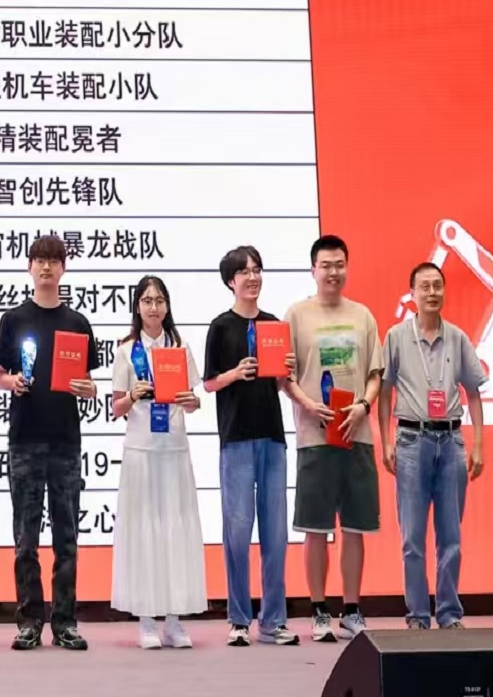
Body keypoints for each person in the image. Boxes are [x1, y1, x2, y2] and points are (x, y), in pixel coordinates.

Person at [0, 234, 99, 651]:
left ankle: (65, 622)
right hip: (24, 440)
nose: (47, 267)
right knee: (26, 538)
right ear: (29, 267)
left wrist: (88, 389)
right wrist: (12, 381)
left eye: (54, 260)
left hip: (66, 441)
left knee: (67, 537)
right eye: (40, 260)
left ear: (64, 268)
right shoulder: (14, 319)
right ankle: (29, 621)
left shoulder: (77, 323)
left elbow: (88, 382)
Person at [282, 234, 384, 642]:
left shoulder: (363, 316)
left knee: (355, 527)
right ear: (313, 269)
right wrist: (308, 404)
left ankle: (352, 609)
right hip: (315, 436)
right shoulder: (296, 315)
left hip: (356, 434)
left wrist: (363, 405)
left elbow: (375, 374)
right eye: (325, 265)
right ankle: (319, 609)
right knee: (315, 528)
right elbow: (285, 377)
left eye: (339, 264)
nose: (333, 272)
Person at [378, 262, 488, 630]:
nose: (432, 292)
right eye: (424, 286)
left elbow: (473, 393)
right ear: (412, 293)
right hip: (411, 440)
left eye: (437, 285)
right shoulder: (396, 336)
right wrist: (386, 440)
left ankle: (449, 612)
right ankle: (417, 615)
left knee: (451, 536)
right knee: (412, 537)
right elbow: (384, 391)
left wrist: (478, 445)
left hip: (451, 441)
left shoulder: (457, 337)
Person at [202, 246, 301, 647]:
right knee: (238, 531)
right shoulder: (220, 326)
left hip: (272, 436)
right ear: (231, 281)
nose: (253, 277)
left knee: (275, 532)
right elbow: (208, 383)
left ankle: (274, 620)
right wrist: (235, 373)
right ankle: (239, 618)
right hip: (237, 437)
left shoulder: (274, 325)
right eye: (244, 271)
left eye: (257, 270)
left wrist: (284, 372)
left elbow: (280, 383)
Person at [109, 276, 206, 649]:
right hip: (141, 451)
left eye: (159, 300)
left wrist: (190, 401)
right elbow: (115, 408)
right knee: (145, 532)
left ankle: (174, 621)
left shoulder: (179, 347)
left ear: (167, 306)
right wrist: (133, 396)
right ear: (137, 306)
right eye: (147, 301)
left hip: (174, 450)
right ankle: (147, 620)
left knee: (174, 532)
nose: (153, 307)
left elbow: (194, 401)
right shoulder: (126, 351)